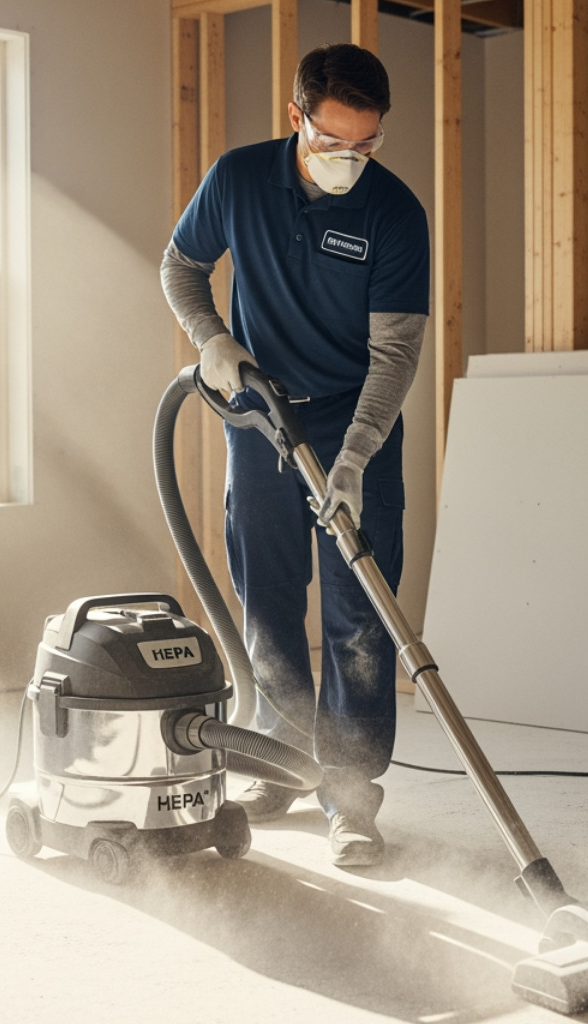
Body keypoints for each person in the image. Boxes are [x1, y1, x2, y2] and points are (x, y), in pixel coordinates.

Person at [161, 43, 429, 867]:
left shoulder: (394, 212)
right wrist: (211, 341)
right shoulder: (239, 178)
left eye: (367, 145)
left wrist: (351, 460)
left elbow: (394, 357)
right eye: (333, 142)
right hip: (260, 418)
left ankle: (349, 797)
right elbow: (181, 265)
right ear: (297, 117)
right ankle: (279, 761)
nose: (350, 160)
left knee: (358, 617)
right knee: (267, 595)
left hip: (357, 428)